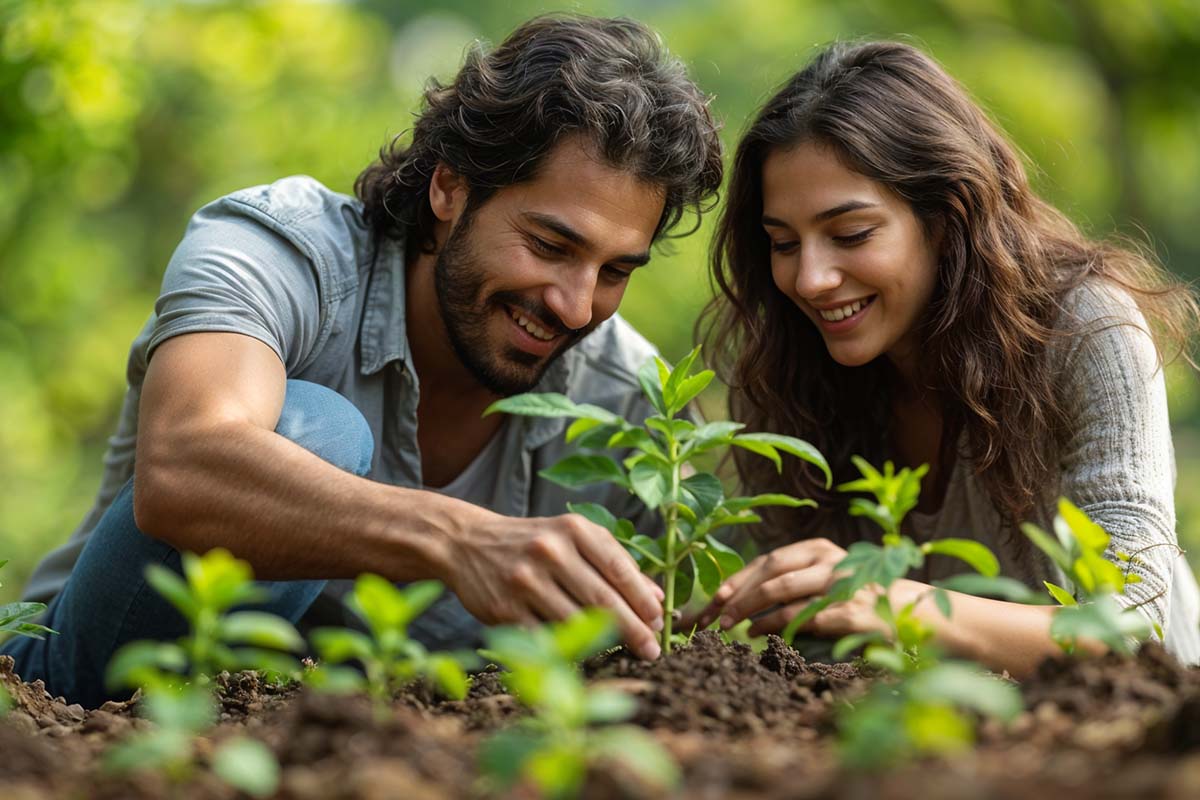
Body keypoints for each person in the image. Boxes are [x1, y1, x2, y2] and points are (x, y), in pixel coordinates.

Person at [4, 14, 723, 707]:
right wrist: (457, 539)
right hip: (79, 697)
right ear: (450, 187)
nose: (575, 305)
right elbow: (184, 465)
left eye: (615, 271)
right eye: (550, 246)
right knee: (316, 430)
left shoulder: (626, 399)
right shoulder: (279, 250)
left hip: (351, 755)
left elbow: (669, 648)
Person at [695, 40, 1200, 677]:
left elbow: (1132, 623)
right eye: (783, 243)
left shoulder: (1086, 331)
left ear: (946, 215)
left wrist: (884, 599)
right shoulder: (790, 373)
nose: (811, 279)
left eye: (851, 234)